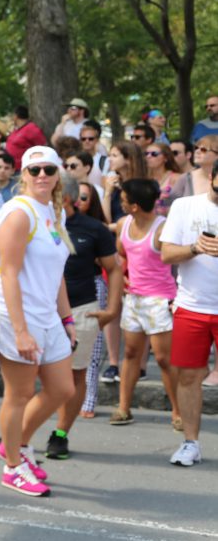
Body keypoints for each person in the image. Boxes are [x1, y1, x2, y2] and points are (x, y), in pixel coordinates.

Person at [0, 146, 73, 497]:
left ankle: (13, 445)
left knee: (62, 389)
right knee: (19, 394)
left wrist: (66, 317)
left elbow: (57, 273)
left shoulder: (53, 210)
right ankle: (13, 466)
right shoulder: (18, 213)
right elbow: (9, 275)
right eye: (34, 170)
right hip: (12, 313)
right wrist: (20, 330)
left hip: (46, 314)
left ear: (58, 173)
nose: (42, 176)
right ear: (24, 174)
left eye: (48, 169)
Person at [44, 179, 121, 458]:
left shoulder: (93, 229)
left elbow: (114, 269)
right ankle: (19, 431)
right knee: (28, 375)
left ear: (67, 198)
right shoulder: (33, 223)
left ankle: (61, 434)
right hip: (38, 310)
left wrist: (111, 309)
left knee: (75, 376)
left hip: (80, 310)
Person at [158, 169, 218, 466]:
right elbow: (167, 254)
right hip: (192, 307)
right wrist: (195, 248)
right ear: (212, 181)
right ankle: (190, 443)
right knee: (189, 376)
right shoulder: (185, 206)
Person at [110, 178, 179, 429]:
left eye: (124, 199)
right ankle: (123, 408)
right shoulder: (123, 224)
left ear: (136, 205)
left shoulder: (163, 229)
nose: (121, 203)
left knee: (163, 358)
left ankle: (178, 411)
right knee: (130, 353)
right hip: (134, 299)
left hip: (160, 299)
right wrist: (127, 279)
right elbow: (121, 253)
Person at [144, 140, 191, 215]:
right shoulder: (143, 179)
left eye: (154, 154)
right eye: (146, 154)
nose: (148, 156)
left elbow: (186, 204)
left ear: (165, 158)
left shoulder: (177, 178)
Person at [5, 105, 47, 170]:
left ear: (16, 116)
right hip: (11, 168)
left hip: (23, 168)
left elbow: (43, 146)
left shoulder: (31, 128)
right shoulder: (16, 129)